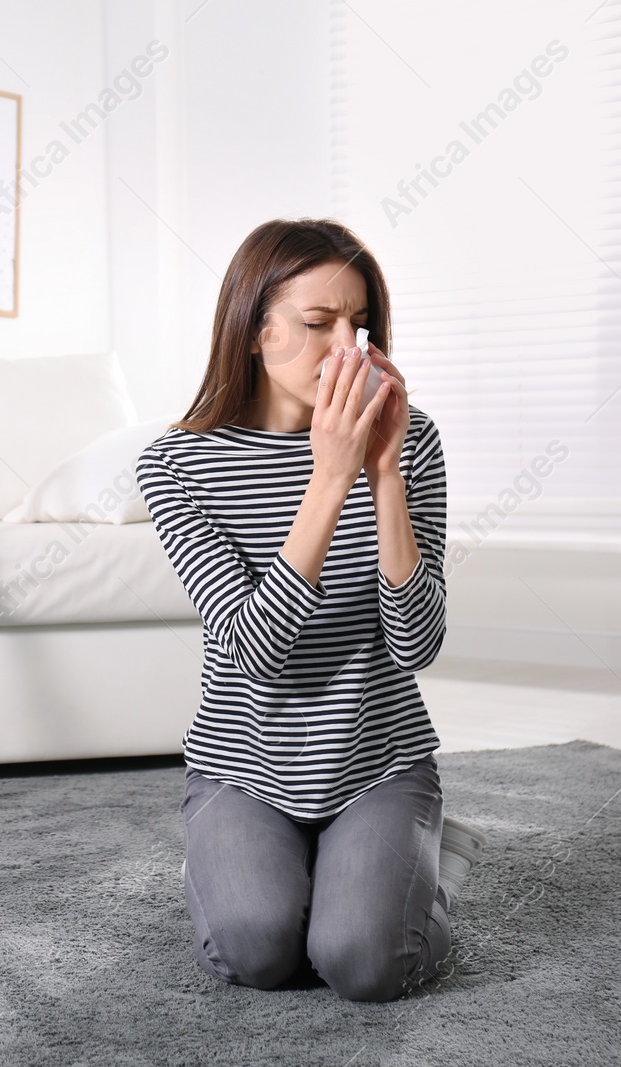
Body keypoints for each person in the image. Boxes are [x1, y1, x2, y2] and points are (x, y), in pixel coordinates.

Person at [135, 217, 487, 1002]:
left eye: (359, 325)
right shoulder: (177, 464)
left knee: (365, 964)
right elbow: (253, 654)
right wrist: (330, 482)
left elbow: (417, 645)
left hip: (377, 760)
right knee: (255, 954)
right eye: (317, 324)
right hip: (243, 765)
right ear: (253, 330)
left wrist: (384, 472)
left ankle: (434, 855)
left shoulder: (411, 438)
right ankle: (244, 860)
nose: (345, 348)